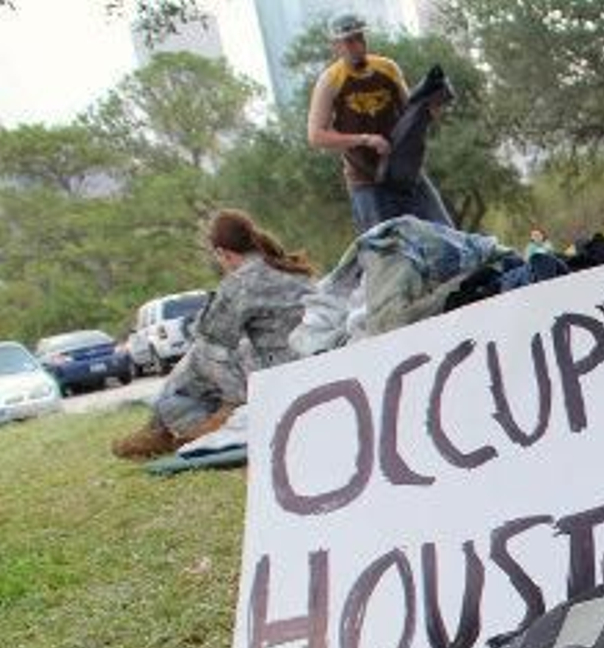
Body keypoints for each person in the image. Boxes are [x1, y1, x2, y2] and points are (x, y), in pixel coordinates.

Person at [112, 211, 316, 460]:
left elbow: (212, 341)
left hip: (285, 375)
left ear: (223, 253)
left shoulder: (241, 282)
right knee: (237, 349)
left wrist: (231, 397)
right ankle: (161, 428)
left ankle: (166, 427)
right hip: (313, 362)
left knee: (199, 356)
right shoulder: (292, 269)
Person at [306, 14, 452, 233]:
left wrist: (431, 107)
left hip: (406, 173)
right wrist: (365, 139)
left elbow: (410, 112)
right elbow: (316, 135)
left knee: (447, 234)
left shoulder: (387, 68)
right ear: (335, 47)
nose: (357, 46)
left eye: (360, 38)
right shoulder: (330, 81)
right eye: (349, 41)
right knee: (385, 253)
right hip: (366, 181)